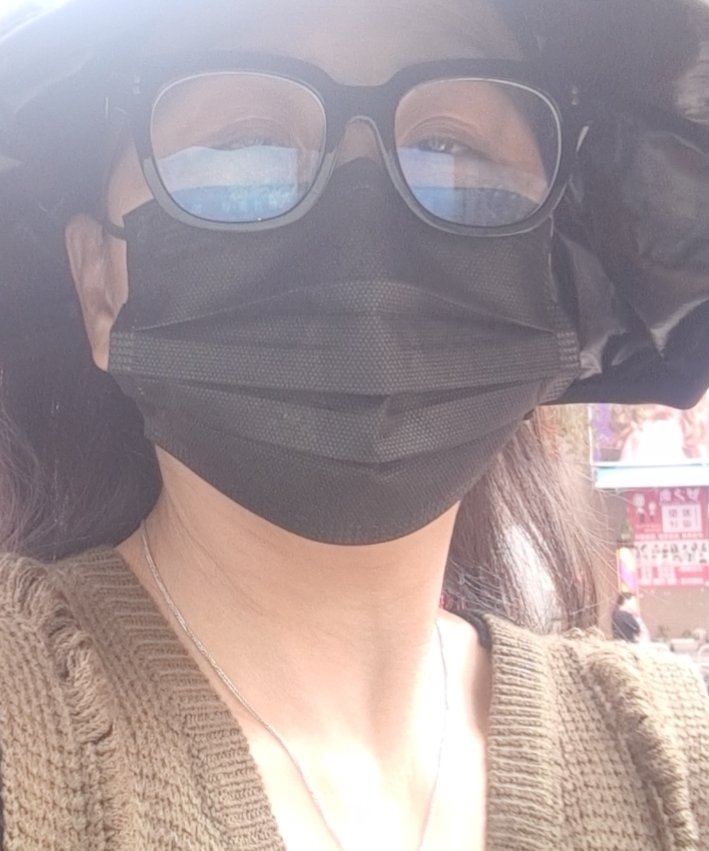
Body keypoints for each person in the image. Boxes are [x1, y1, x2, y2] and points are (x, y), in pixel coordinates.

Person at [0, 0, 708, 849]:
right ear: (98, 287)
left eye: (449, 146)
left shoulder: (676, 765)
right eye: (243, 144)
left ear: (548, 273)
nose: (362, 218)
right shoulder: (25, 730)